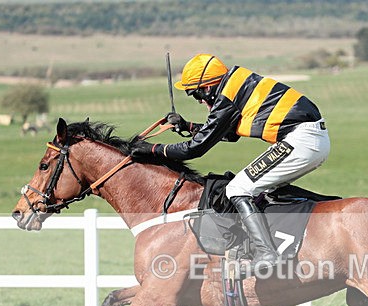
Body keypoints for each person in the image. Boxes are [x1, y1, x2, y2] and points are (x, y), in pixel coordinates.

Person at [131, 54, 330, 273]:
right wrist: (188, 126)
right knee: (264, 189)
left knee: (237, 188)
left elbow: (195, 149)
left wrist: (154, 150)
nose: (197, 100)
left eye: (195, 93)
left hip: (301, 140)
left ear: (207, 88)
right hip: (308, 139)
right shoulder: (236, 84)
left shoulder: (227, 98)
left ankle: (266, 254)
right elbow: (227, 133)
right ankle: (324, 211)